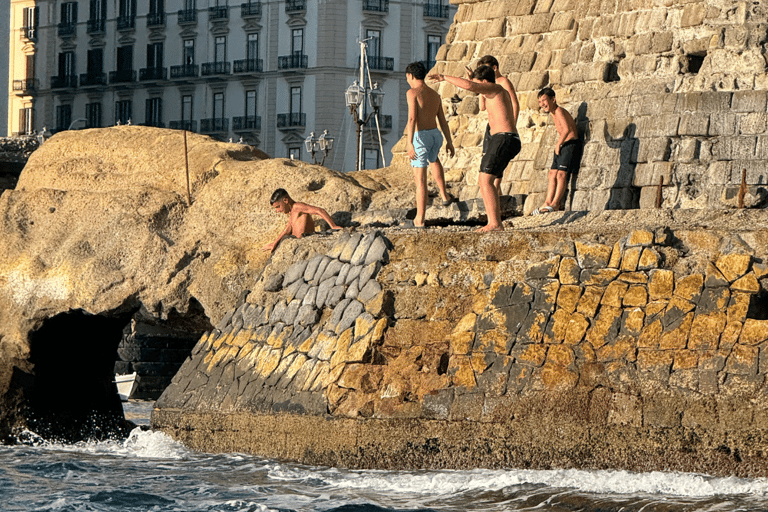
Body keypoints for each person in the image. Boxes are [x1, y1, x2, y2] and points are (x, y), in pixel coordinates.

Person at [428, 65, 520, 232]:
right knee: (486, 180)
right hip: (501, 139)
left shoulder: (496, 88)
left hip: (504, 138)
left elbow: (472, 87)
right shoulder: (490, 93)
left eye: (479, 84)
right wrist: (472, 80)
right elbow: (475, 89)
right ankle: (494, 222)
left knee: (485, 180)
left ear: (485, 82)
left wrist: (444, 77)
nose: (478, 88)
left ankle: (495, 223)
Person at [405, 61, 456, 228]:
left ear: (410, 76)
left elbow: (412, 118)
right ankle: (444, 195)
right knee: (434, 160)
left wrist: (409, 142)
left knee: (420, 180)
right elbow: (442, 120)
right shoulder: (435, 95)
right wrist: (449, 142)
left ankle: (420, 218)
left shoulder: (412, 93)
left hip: (421, 136)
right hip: (436, 135)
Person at [533, 87, 580, 214]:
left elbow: (567, 129)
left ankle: (556, 203)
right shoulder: (553, 113)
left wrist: (559, 143)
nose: (542, 104)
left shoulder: (559, 111)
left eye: (544, 100)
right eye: (540, 102)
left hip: (569, 144)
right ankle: (547, 201)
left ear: (553, 99)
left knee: (561, 174)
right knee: (552, 174)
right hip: (561, 145)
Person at [262, 188, 341, 252]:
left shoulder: (297, 206)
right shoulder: (292, 212)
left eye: (278, 207)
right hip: (296, 242)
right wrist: (274, 243)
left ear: (285, 200)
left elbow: (319, 211)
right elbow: (287, 229)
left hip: (304, 241)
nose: (277, 211)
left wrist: (333, 226)